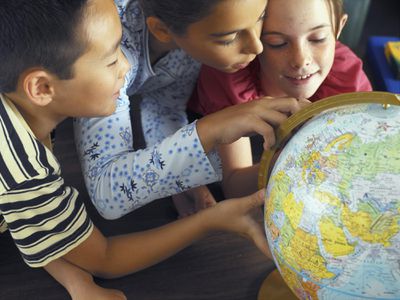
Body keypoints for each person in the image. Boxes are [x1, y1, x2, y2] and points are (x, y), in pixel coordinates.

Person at [0, 0, 295, 298]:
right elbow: (105, 256)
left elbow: (31, 218)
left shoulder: (23, 117)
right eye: (112, 59)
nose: (126, 67)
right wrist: (207, 220)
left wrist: (76, 281)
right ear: (41, 88)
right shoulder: (26, 172)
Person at [74, 0, 309, 219]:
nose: (256, 46)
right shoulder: (106, 55)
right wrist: (212, 129)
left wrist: (178, 178)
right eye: (228, 38)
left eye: (261, 16)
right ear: (162, 30)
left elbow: (163, 107)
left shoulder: (188, 34)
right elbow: (107, 193)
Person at [188, 0, 373, 199]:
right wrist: (303, 152)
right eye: (277, 43)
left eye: (318, 38)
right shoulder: (230, 77)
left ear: (338, 28)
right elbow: (234, 187)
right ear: (252, 39)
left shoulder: (348, 81)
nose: (301, 60)